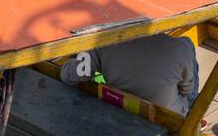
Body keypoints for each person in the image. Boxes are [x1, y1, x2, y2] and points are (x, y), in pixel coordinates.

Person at [60, 33, 199, 116]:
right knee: (187, 42)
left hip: (119, 106)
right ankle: (193, 114)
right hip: (166, 118)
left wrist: (73, 59)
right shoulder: (180, 48)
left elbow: (69, 76)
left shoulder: (105, 40)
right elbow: (186, 91)